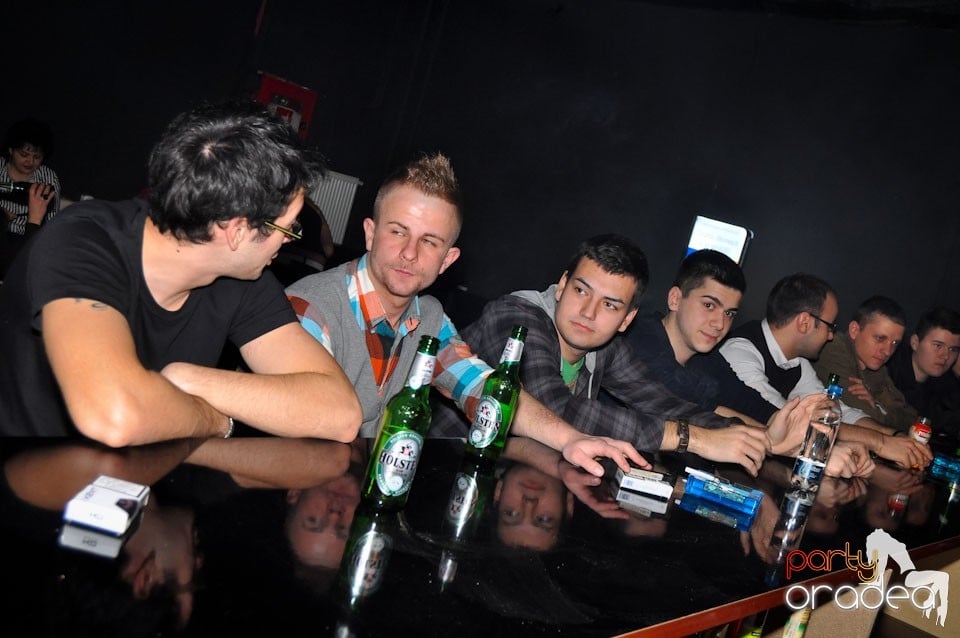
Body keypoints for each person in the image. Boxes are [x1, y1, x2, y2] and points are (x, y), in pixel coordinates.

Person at [0, 100, 361, 443]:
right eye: (288, 228)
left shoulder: (242, 275)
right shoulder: (81, 241)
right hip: (26, 473)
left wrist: (187, 379)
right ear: (237, 231)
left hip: (139, 477)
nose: (289, 240)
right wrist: (216, 421)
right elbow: (114, 416)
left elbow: (341, 414)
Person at [286, 153, 644, 476]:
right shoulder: (312, 307)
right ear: (370, 233)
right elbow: (300, 430)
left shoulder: (429, 317)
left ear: (447, 260)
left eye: (429, 241)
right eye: (398, 232)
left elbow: (488, 390)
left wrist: (570, 439)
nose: (410, 253)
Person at [437, 234, 819, 477]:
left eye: (610, 304)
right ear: (562, 285)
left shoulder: (606, 348)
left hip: (512, 480)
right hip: (437, 476)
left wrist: (761, 438)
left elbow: (666, 404)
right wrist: (695, 440)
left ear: (627, 319)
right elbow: (555, 409)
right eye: (582, 291)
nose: (588, 313)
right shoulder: (516, 317)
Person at [628, 249, 871, 473]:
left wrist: (803, 443)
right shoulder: (638, 339)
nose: (719, 323)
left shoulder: (707, 359)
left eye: (729, 313)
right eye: (709, 305)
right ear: (675, 299)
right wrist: (801, 450)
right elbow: (682, 404)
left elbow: (752, 406)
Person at [720, 273, 931, 469]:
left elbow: (835, 410)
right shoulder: (741, 351)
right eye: (830, 326)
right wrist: (881, 443)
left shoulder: (798, 362)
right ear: (804, 322)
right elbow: (787, 421)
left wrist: (895, 436)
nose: (831, 335)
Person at [812, 295, 913, 429]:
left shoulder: (878, 369)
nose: (888, 351)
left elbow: (910, 419)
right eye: (880, 338)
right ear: (854, 330)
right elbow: (857, 415)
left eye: (895, 343)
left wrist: (875, 403)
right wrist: (880, 408)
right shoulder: (833, 349)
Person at [1, 118, 61, 276]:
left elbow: (52, 221)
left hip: (28, 238)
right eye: (24, 154)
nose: (30, 161)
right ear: (11, 150)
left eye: (37, 156)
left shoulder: (48, 177)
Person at [885, 306, 960, 424]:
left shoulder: (947, 386)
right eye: (938, 346)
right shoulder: (886, 371)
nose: (945, 356)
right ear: (915, 343)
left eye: (953, 349)